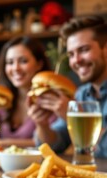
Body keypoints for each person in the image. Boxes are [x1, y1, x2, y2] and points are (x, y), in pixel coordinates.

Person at [28, 16, 107, 158]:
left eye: (83, 50)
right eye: (71, 54)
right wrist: (42, 124)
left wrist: (76, 118)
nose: (76, 60)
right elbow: (55, 146)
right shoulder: (81, 94)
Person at [0, 36, 51, 148]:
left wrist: (2, 143)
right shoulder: (1, 100)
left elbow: (50, 143)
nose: (15, 68)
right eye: (10, 62)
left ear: (39, 64)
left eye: (23, 61)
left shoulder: (50, 101)